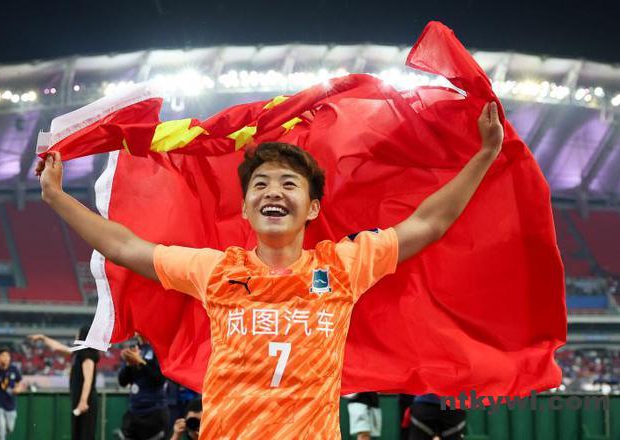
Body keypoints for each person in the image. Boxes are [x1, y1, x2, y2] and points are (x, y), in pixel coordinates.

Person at [36, 101, 503, 438]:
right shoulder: (215, 271)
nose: (273, 191)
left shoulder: (344, 265)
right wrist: (57, 198)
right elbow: (123, 246)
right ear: (245, 208)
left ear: (313, 207)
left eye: (288, 184)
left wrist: (484, 155)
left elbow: (428, 223)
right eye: (260, 184)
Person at [29, 326, 99, 440]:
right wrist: (43, 338)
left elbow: (88, 379)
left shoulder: (88, 353)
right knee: (77, 435)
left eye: (78, 333)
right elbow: (58, 348)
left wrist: (83, 402)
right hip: (78, 399)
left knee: (85, 435)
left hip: (86, 401)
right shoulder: (78, 352)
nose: (76, 336)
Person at [118, 334, 169, 440]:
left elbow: (160, 379)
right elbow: (122, 382)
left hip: (154, 412)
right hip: (134, 411)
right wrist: (128, 364)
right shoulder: (133, 349)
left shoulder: (158, 349)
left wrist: (140, 362)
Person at [0, 347, 23, 440]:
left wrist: (18, 389)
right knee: (1, 427)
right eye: (3, 355)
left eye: (7, 355)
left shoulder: (14, 369)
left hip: (10, 404)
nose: (6, 357)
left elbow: (19, 382)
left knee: (10, 428)